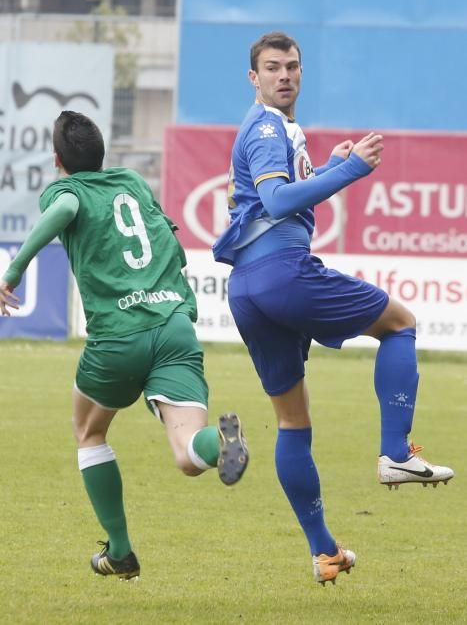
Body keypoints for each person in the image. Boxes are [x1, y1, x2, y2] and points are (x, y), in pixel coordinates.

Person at [212, 31, 453, 586]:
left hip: (246, 288)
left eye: (292, 66)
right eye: (272, 68)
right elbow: (275, 203)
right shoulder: (269, 124)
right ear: (254, 78)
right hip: (281, 273)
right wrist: (349, 172)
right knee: (401, 323)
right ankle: (395, 452)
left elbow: (267, 198)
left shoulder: (271, 130)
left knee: (292, 421)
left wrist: (323, 167)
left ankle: (325, 552)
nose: (284, 76)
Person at [0, 110, 248, 581]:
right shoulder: (132, 181)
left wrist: (11, 272)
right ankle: (222, 441)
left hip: (119, 336)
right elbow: (169, 242)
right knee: (188, 455)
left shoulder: (66, 191)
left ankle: (120, 550)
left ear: (57, 160)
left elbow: (65, 211)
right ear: (102, 154)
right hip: (173, 325)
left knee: (89, 433)